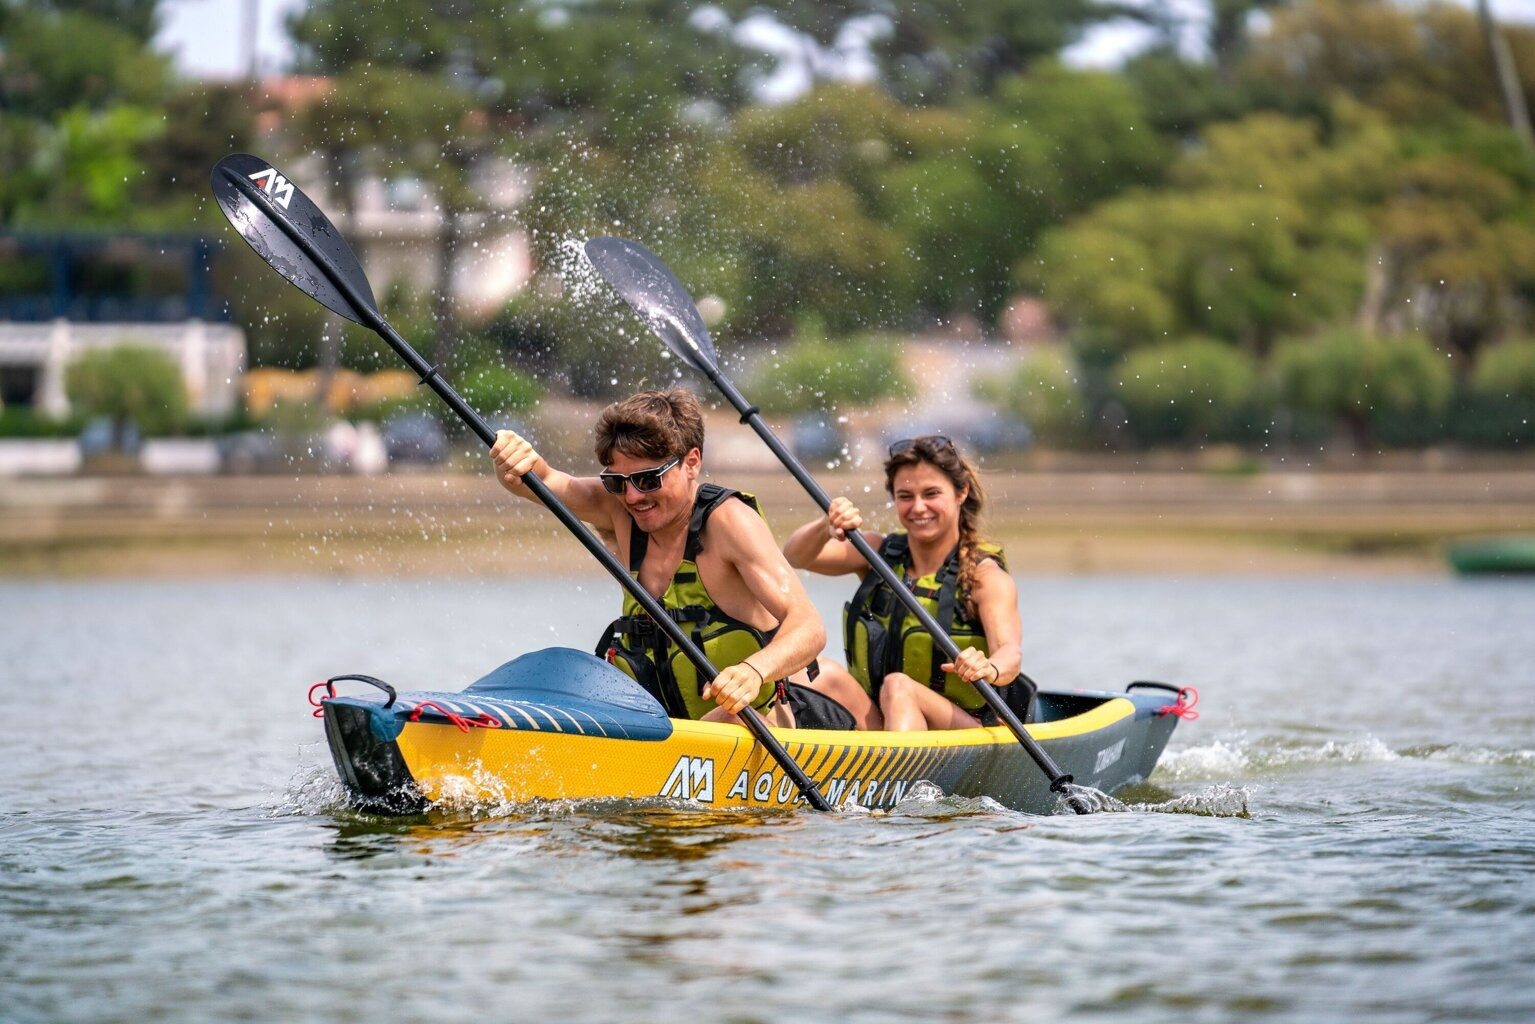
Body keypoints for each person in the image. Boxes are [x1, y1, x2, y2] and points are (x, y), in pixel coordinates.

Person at [489, 388, 843, 729]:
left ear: (692, 462)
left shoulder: (731, 524)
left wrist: (754, 670)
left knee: (729, 716)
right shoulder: (617, 508)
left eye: (647, 479)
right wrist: (513, 458)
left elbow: (809, 626)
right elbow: (540, 481)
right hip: (667, 738)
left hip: (753, 732)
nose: (632, 497)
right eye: (618, 482)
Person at [782, 434, 1031, 731]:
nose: (918, 507)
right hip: (890, 720)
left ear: (961, 492)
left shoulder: (985, 579)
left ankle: (894, 761)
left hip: (965, 733)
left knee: (898, 686)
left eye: (931, 494)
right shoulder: (877, 554)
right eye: (905, 496)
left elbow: (1010, 653)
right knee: (814, 673)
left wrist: (989, 667)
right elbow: (796, 556)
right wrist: (827, 525)